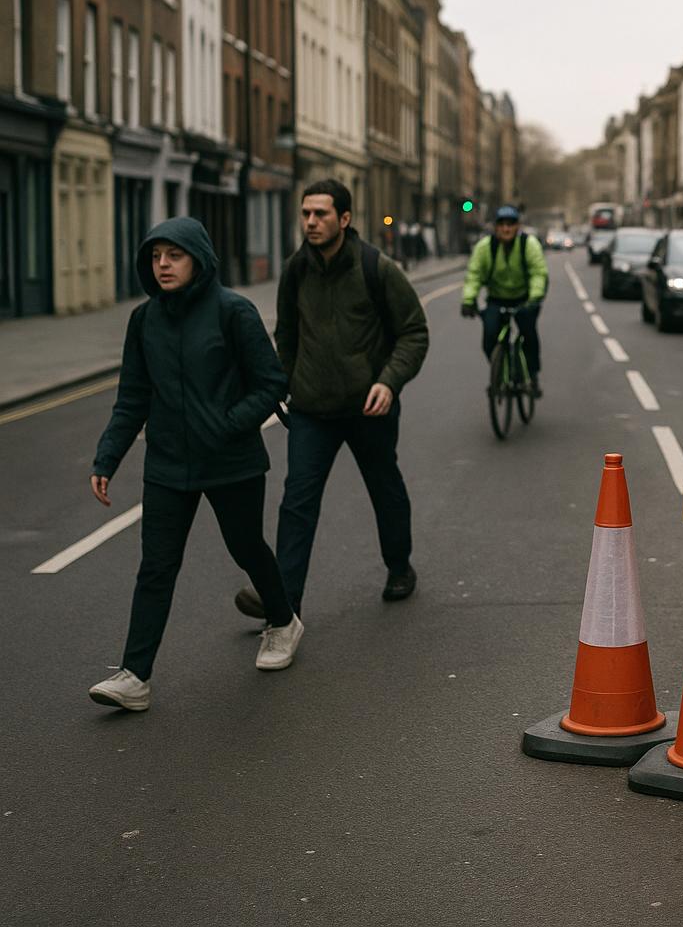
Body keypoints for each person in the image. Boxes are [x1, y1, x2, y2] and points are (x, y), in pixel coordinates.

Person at [88, 218, 301, 711]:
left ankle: (283, 621)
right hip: (167, 464)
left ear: (199, 259)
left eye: (174, 255)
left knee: (246, 546)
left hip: (232, 461)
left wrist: (230, 424)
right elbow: (133, 397)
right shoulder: (144, 320)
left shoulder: (234, 312)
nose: (162, 264)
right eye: (156, 256)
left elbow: (271, 383)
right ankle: (135, 676)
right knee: (156, 567)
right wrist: (107, 456)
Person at [234, 179, 429, 623]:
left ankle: (399, 567)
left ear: (344, 219)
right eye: (305, 214)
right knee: (297, 502)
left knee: (385, 489)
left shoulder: (376, 268)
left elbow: (414, 332)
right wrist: (279, 384)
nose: (311, 222)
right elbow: (286, 336)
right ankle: (285, 604)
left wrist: (389, 381)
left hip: (369, 408)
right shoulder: (296, 270)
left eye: (320, 214)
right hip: (312, 410)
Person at [461, 205, 548, 398]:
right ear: (495, 228)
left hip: (524, 300)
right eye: (501, 225)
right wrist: (468, 300)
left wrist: (534, 298)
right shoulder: (485, 247)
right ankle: (500, 371)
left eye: (510, 224)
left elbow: (538, 273)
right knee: (489, 338)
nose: (506, 229)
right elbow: (474, 274)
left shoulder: (529, 244)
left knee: (529, 336)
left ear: (518, 227)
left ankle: (532, 375)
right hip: (497, 299)